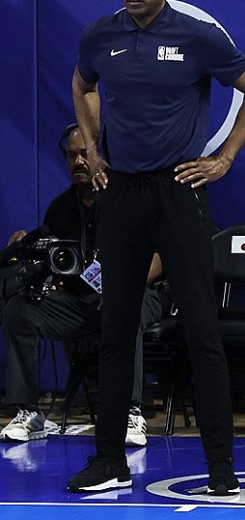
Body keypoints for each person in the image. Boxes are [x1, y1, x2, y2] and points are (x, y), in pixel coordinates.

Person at [67, 0, 245, 494]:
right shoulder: (99, 36)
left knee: (201, 332)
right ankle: (109, 459)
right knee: (115, 329)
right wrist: (91, 145)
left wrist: (224, 156)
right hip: (122, 194)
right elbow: (82, 84)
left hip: (177, 191)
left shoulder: (196, 36)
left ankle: (220, 467)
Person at [1, 124, 168, 447]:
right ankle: (29, 412)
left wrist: (123, 284)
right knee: (20, 311)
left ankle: (130, 411)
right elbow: (56, 256)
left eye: (83, 154)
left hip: (139, 291)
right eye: (70, 156)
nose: (78, 162)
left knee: (123, 308)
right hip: (80, 300)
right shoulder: (61, 207)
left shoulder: (129, 195)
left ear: (101, 155)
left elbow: (161, 254)